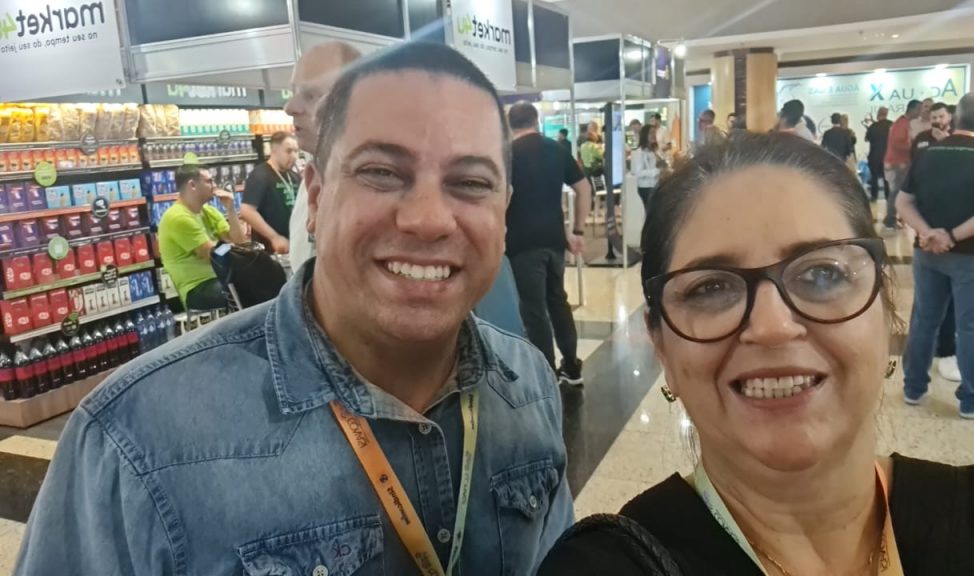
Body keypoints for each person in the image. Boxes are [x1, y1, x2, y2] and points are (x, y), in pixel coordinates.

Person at [16, 42, 574, 576]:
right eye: (381, 172)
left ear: (504, 214)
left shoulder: (527, 385)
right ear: (316, 196)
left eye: (470, 182)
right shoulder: (135, 440)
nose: (427, 219)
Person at [538, 133, 974, 575]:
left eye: (823, 274)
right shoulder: (606, 566)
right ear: (661, 342)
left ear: (885, 307)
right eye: (710, 288)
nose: (772, 327)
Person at [896, 92, 974, 419]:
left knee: (924, 321)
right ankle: (973, 401)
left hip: (928, 253)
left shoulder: (928, 152)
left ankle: (913, 388)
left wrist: (928, 233)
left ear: (955, 118)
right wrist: (952, 236)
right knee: (972, 328)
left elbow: (903, 202)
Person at [506, 101, 592, 386]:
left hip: (521, 243)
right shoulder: (557, 150)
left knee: (534, 311)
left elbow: (499, 196)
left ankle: (546, 375)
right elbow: (584, 189)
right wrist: (577, 230)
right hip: (555, 240)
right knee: (558, 302)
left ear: (510, 124)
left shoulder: (506, 155)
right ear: (536, 121)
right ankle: (572, 367)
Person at [284, 41, 363, 271]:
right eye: (293, 92)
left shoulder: (373, 187)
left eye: (310, 96)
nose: (289, 107)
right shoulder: (315, 173)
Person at [155, 164, 245, 310]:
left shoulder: (209, 211)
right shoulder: (177, 217)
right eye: (209, 181)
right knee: (246, 290)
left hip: (222, 278)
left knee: (261, 281)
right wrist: (231, 247)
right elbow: (214, 256)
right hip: (198, 288)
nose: (214, 186)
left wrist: (230, 208)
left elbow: (240, 242)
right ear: (192, 185)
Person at [240, 131, 300, 254]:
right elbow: (247, 211)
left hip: (293, 245)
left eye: (296, 151)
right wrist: (274, 237)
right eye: (289, 151)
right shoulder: (260, 175)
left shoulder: (294, 177)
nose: (294, 156)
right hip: (269, 250)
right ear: (274, 150)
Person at [883, 99, 922, 231]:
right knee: (896, 192)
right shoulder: (902, 124)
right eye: (919, 109)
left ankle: (894, 218)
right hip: (898, 163)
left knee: (897, 192)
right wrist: (912, 148)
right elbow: (897, 142)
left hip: (900, 163)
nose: (920, 112)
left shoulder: (904, 123)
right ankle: (890, 220)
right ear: (912, 109)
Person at [631, 124, 662, 210]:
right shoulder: (639, 152)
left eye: (654, 133)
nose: (653, 135)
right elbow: (639, 173)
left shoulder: (653, 151)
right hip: (646, 188)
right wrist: (657, 171)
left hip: (654, 186)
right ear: (645, 135)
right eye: (651, 133)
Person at [865, 107, 893, 202]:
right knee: (887, 178)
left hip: (874, 156)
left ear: (878, 114)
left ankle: (874, 196)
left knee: (874, 177)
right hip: (888, 156)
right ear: (886, 114)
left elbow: (867, 139)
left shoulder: (873, 126)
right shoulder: (892, 125)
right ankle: (888, 196)